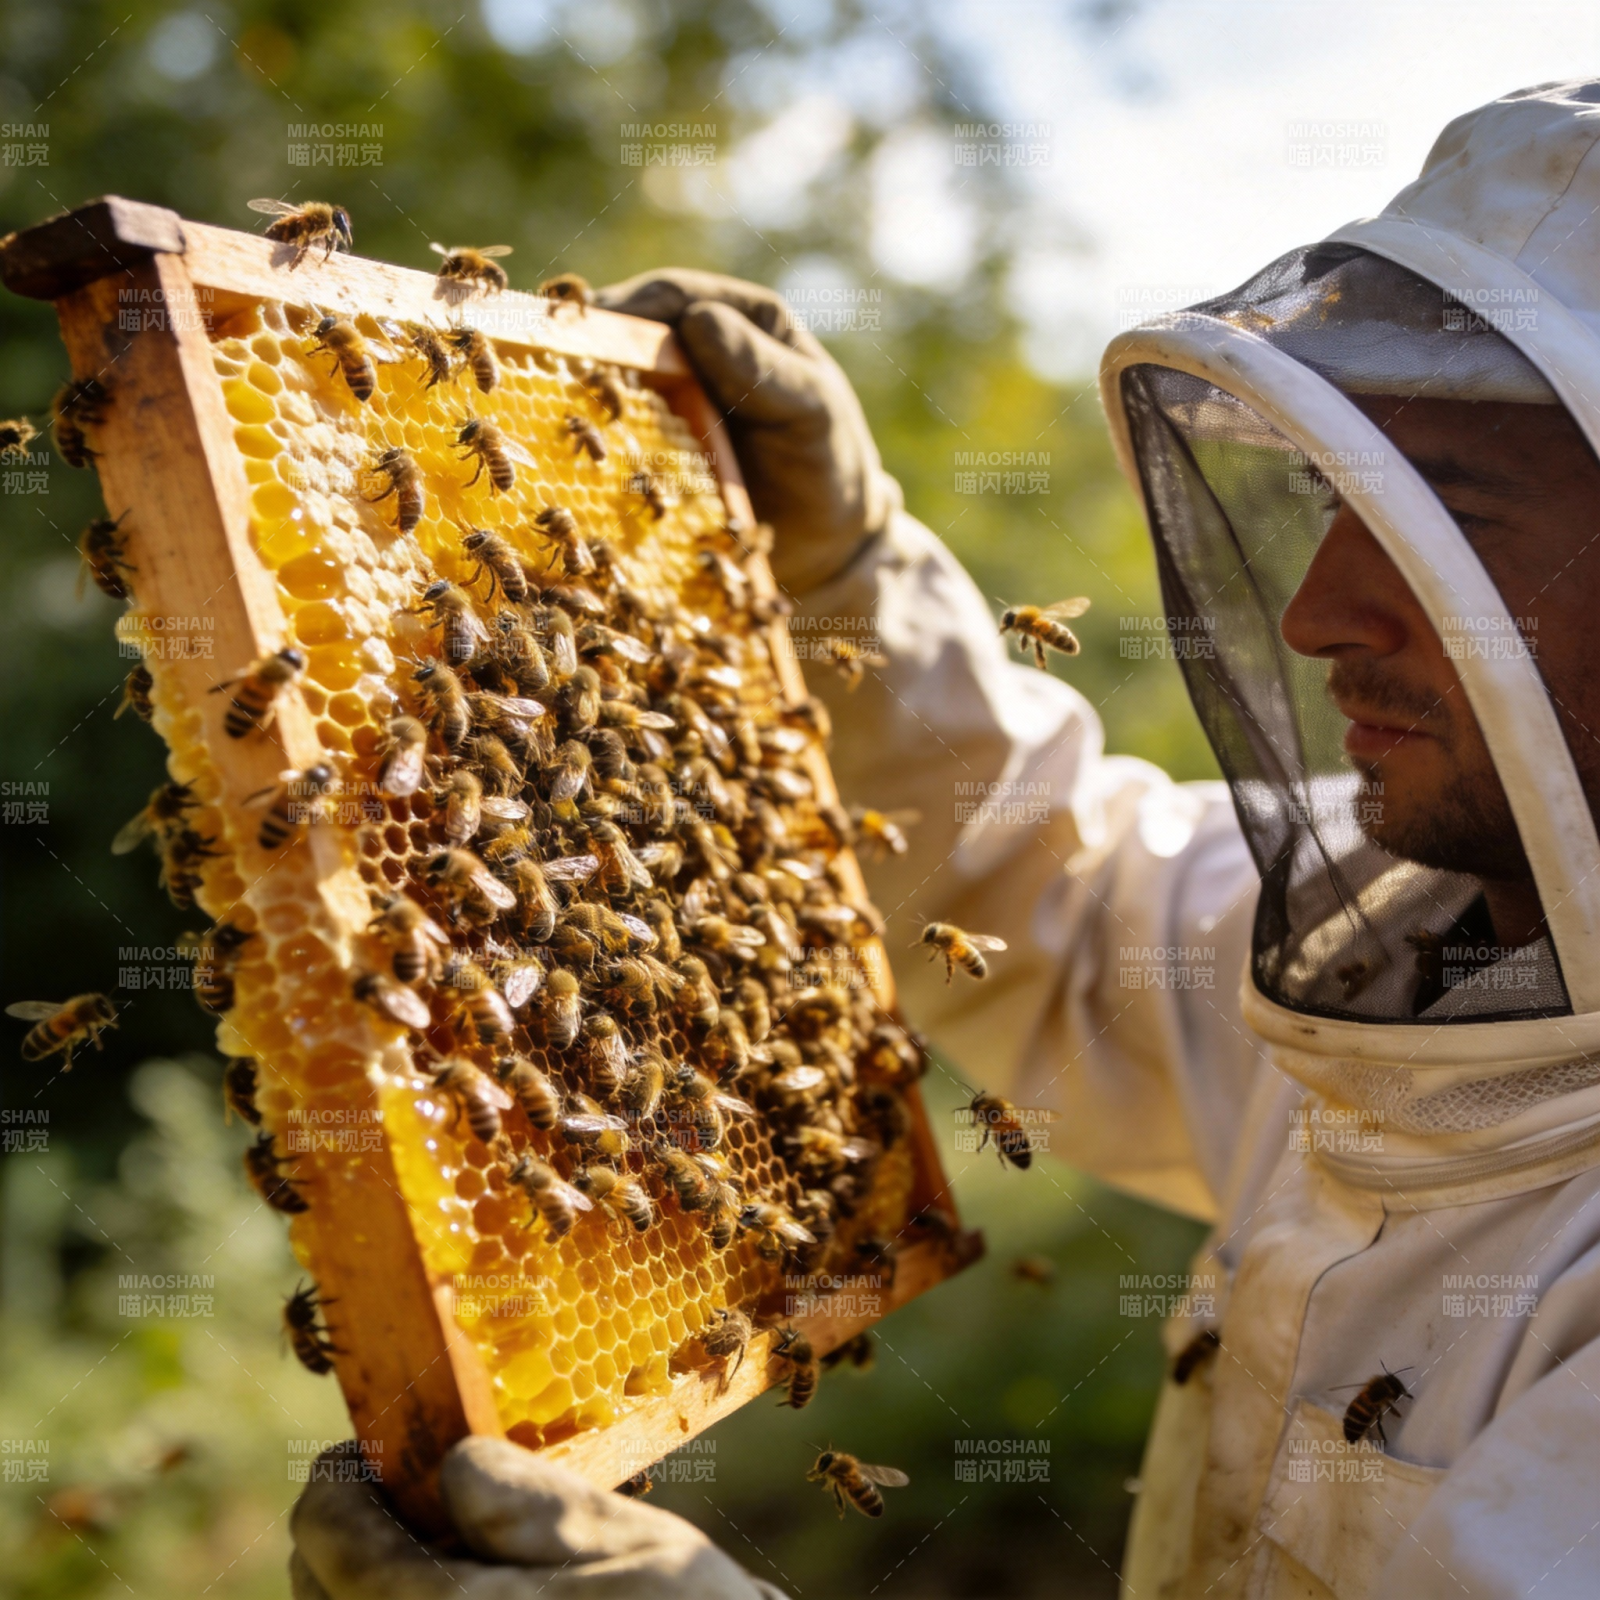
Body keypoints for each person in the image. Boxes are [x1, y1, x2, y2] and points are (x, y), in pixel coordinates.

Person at [292, 81, 1600, 1600]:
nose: (1312, 615)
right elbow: (1053, 903)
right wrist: (845, 581)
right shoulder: (1387, 925)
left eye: (1453, 514)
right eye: (1331, 494)